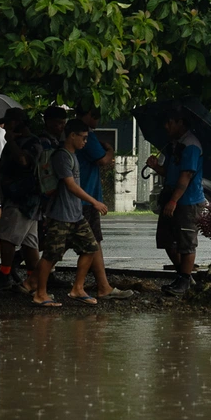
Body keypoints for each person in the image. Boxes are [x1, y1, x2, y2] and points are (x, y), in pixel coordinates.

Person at [32, 121, 108, 307]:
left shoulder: (73, 155)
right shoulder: (62, 157)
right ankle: (40, 293)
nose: (85, 141)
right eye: (82, 137)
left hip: (75, 214)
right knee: (51, 255)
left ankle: (77, 289)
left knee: (91, 247)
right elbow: (70, 185)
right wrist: (94, 202)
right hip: (60, 215)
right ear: (72, 135)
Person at [73, 106, 134, 301]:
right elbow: (103, 160)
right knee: (92, 242)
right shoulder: (87, 137)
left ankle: (28, 280)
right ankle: (100, 286)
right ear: (87, 114)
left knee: (57, 243)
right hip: (86, 196)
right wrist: (110, 149)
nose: (98, 120)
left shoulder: (78, 136)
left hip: (82, 197)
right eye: (96, 115)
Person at [0, 109, 42, 292]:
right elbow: (0, 169)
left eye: (10, 121)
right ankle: (33, 279)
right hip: (13, 198)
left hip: (23, 199)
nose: (6, 125)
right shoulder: (10, 144)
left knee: (6, 238)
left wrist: (11, 141)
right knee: (30, 242)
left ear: (19, 122)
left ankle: (4, 275)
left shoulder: (33, 143)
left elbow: (23, 161)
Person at [145, 109, 205, 296]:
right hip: (171, 196)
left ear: (180, 122)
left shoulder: (191, 145)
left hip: (187, 201)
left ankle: (184, 280)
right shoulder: (174, 145)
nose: (166, 126)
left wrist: (173, 201)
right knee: (166, 239)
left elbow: (186, 175)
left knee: (186, 242)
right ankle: (183, 276)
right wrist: (156, 167)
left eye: (169, 122)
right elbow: (169, 172)